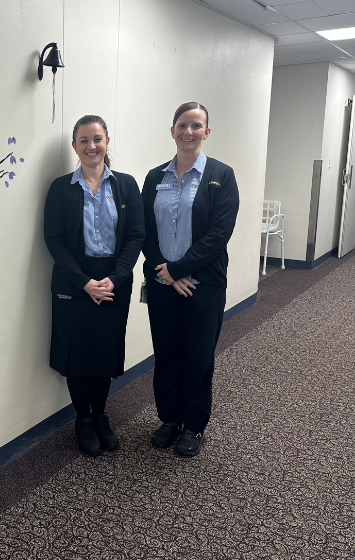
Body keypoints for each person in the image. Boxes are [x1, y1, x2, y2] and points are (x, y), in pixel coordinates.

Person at [141, 102, 239, 458]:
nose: (189, 131)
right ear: (172, 130)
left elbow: (219, 234)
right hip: (162, 283)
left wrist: (179, 269)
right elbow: (145, 231)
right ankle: (169, 420)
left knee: (198, 355)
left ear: (206, 132)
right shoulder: (155, 177)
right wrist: (163, 270)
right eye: (183, 125)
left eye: (196, 126)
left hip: (203, 284)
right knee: (167, 354)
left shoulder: (220, 176)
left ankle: (194, 426)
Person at [43, 115, 144, 456]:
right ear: (75, 146)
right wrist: (85, 282)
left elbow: (135, 236)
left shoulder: (127, 185)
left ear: (107, 141)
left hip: (113, 281)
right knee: (78, 354)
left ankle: (101, 415)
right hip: (74, 282)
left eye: (97, 138)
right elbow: (54, 240)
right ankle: (83, 419)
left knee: (104, 350)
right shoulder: (61, 188)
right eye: (84, 140)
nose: (91, 146)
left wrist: (113, 278)